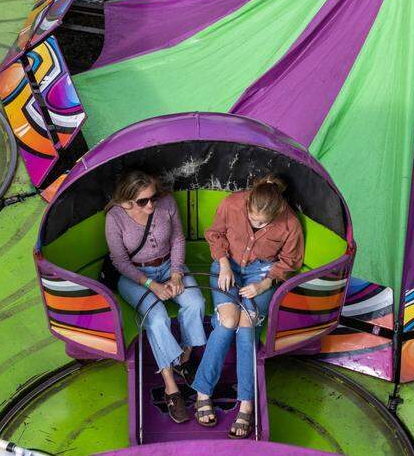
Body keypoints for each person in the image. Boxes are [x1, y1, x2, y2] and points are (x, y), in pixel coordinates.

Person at [193, 175, 304, 439]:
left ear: (277, 211)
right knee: (227, 322)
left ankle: (246, 403)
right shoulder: (232, 203)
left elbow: (290, 262)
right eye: (253, 219)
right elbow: (216, 233)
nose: (257, 224)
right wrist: (223, 264)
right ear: (248, 203)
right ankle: (202, 391)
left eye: (263, 222)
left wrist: (265, 285)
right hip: (227, 264)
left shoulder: (290, 223)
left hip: (262, 273)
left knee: (245, 327)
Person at [105, 170, 206, 425]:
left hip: (169, 267)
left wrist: (175, 275)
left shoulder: (167, 203)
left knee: (196, 302)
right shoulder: (115, 217)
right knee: (157, 319)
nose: (150, 204)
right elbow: (119, 261)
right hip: (135, 276)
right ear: (127, 200)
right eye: (142, 201)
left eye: (153, 197)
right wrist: (151, 285)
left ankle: (184, 357)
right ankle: (171, 386)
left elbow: (177, 240)